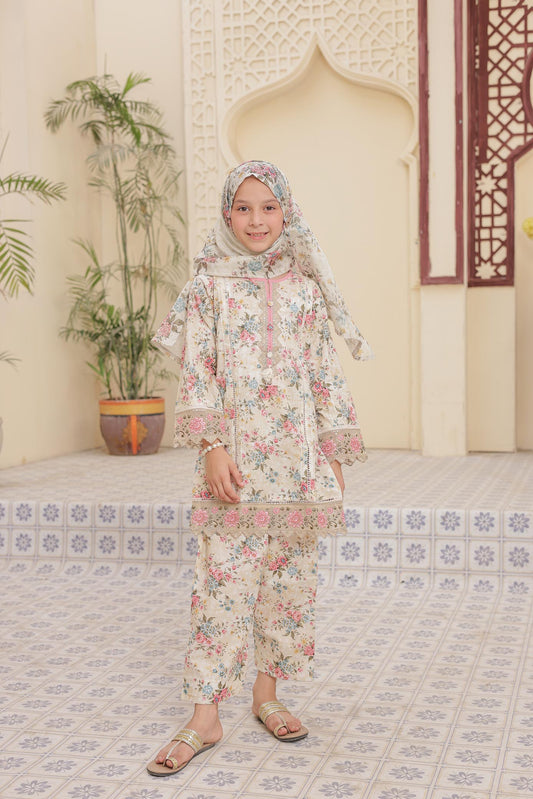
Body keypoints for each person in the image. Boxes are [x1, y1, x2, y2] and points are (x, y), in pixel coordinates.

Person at [147, 160, 371, 776]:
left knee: (288, 585)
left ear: (286, 213)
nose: (256, 220)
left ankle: (266, 695)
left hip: (298, 464)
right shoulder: (208, 285)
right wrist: (212, 447)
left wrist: (333, 452)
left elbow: (325, 372)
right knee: (221, 587)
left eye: (268, 207)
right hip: (236, 465)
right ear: (227, 214)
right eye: (243, 208)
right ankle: (205, 716)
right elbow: (199, 369)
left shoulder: (305, 287)